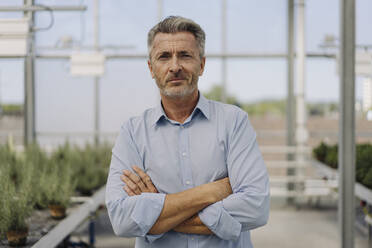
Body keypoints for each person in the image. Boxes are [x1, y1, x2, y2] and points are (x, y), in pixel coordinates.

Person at [105, 16, 270, 248]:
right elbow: (122, 220)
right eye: (164, 57)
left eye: (185, 55)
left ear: (201, 65)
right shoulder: (132, 132)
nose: (175, 67)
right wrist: (213, 191)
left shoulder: (233, 122)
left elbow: (256, 208)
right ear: (151, 68)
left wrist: (155, 212)